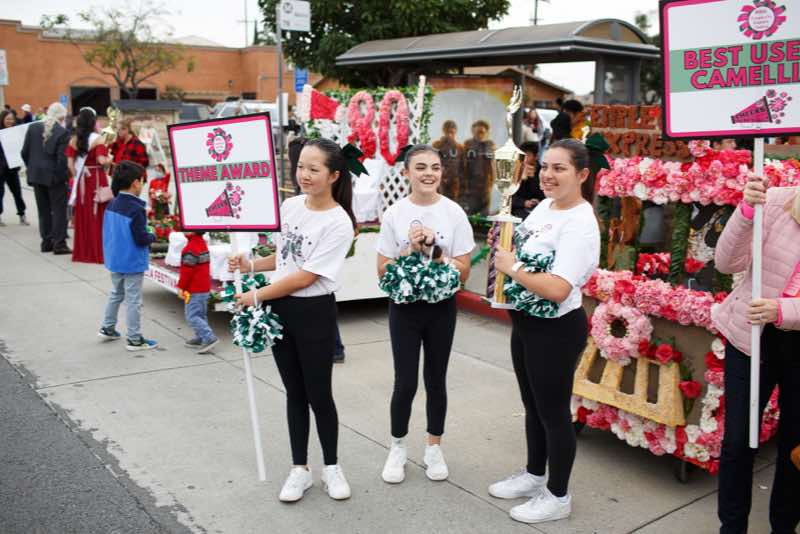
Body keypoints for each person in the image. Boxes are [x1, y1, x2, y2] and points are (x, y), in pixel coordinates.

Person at [228, 138, 356, 503]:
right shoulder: (290, 206)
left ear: (333, 175)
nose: (304, 175)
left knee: (319, 394)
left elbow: (305, 277)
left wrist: (256, 295)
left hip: (314, 313)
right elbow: (286, 258)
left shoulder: (339, 222)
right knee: (295, 393)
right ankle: (299, 469)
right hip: (281, 309)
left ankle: (331, 467)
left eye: (314, 169)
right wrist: (251, 266)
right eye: (301, 166)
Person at [489, 139, 600, 524]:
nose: (547, 175)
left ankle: (557, 495)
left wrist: (512, 268)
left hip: (555, 330)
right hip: (526, 323)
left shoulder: (580, 223)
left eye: (559, 168)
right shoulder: (545, 208)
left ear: (582, 174)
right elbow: (519, 251)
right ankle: (535, 474)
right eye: (544, 167)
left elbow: (557, 288)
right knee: (533, 407)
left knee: (553, 414)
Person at [376, 144, 475, 484]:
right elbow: (382, 270)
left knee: (436, 380)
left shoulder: (453, 213)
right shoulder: (394, 214)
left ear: (442, 173)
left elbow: (464, 271)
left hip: (441, 309)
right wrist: (409, 249)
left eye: (435, 167)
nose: (428, 173)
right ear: (406, 172)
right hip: (404, 309)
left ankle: (434, 447)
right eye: (420, 167)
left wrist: (436, 251)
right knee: (405, 382)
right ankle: (397, 447)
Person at [712, 179, 800, 534]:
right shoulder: (775, 202)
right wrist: (746, 212)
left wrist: (783, 310)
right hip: (751, 337)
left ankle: (784, 526)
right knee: (737, 440)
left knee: (795, 446)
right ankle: (731, 528)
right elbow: (725, 262)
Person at [98, 161, 158, 351]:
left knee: (116, 293)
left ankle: (107, 327)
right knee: (133, 300)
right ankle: (134, 338)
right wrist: (153, 235)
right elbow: (141, 238)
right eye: (142, 181)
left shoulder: (112, 204)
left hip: (115, 258)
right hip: (132, 261)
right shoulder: (136, 209)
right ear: (135, 183)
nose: (143, 185)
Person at [21, 102, 71, 253]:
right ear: (61, 117)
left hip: (36, 175)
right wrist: (64, 177)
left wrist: (32, 167)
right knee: (59, 211)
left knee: (43, 211)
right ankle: (59, 243)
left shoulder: (33, 128)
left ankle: (46, 242)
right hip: (54, 176)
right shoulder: (62, 132)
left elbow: (24, 152)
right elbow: (62, 160)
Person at [66, 107, 111, 264]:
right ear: (93, 122)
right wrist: (110, 159)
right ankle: (97, 252)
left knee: (84, 214)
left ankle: (83, 252)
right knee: (97, 214)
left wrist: (78, 176)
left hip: (82, 181)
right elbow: (101, 160)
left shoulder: (73, 140)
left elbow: (70, 165)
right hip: (96, 178)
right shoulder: (98, 139)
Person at [177, 231, 218, 354]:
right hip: (204, 287)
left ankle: (209, 338)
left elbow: (187, 272)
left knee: (192, 316)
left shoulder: (190, 248)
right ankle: (201, 337)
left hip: (194, 288)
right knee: (200, 314)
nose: (183, 230)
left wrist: (181, 287)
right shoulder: (201, 243)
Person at [0, 110, 29, 227]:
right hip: (1, 169)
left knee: (17, 193)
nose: (10, 121)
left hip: (12, 168)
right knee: (0, 193)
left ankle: (22, 215)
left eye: (11, 119)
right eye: (7, 119)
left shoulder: (16, 132)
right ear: (2, 119)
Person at [462, 120, 496, 214]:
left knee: (484, 212)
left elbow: (493, 165)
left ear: (486, 133)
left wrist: (492, 182)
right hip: (470, 185)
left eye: (482, 132)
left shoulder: (490, 145)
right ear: (473, 132)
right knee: (469, 211)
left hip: (485, 184)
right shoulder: (468, 144)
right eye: (477, 132)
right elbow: (463, 165)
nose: (479, 135)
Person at [511, 141, 545, 220]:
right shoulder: (515, 170)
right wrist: (524, 203)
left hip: (539, 209)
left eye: (528, 155)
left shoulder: (543, 171)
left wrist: (532, 179)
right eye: (522, 155)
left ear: (536, 157)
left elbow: (546, 194)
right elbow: (509, 197)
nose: (524, 159)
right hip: (519, 209)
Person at [432, 120, 464, 201]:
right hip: (439, 180)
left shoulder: (460, 147)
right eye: (447, 131)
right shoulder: (437, 145)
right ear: (444, 131)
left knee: (452, 202)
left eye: (451, 132)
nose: (449, 134)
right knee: (438, 200)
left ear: (455, 132)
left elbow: (463, 166)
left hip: (454, 181)